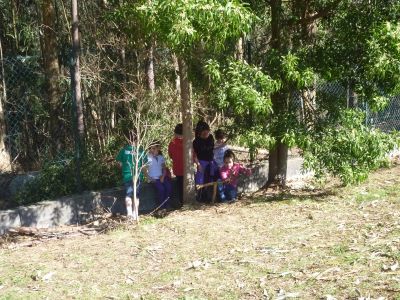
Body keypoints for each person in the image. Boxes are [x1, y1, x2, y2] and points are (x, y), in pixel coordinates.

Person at [116, 133, 147, 221]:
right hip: (138, 176)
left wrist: (123, 167)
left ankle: (129, 213)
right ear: (138, 140)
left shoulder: (124, 150)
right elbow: (144, 165)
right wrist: (147, 176)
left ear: (129, 140)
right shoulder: (141, 150)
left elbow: (119, 163)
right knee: (136, 195)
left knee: (128, 194)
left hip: (127, 175)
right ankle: (135, 213)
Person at [193, 121, 219, 202]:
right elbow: (195, 154)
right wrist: (198, 164)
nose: (206, 134)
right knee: (201, 180)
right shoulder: (196, 142)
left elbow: (210, 148)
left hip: (211, 161)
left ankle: (212, 196)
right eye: (204, 133)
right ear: (199, 132)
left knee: (213, 177)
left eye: (207, 132)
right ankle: (200, 197)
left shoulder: (211, 137)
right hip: (201, 162)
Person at [146, 141, 172, 210]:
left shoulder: (161, 157)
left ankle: (167, 205)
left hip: (161, 177)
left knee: (168, 187)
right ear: (149, 148)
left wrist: (163, 176)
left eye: (156, 148)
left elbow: (164, 168)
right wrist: (149, 178)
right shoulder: (147, 157)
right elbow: (144, 170)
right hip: (153, 178)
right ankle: (161, 207)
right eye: (152, 148)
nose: (154, 150)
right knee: (161, 189)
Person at [168, 124, 184, 207]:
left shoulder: (172, 143)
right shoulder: (187, 142)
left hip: (177, 168)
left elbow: (170, 155)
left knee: (180, 186)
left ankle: (182, 202)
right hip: (187, 169)